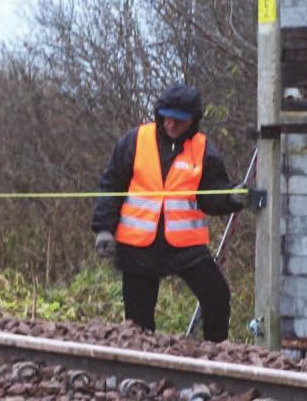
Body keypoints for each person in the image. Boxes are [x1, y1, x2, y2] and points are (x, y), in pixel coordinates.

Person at [91, 83, 249, 342]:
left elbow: (211, 194)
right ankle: (143, 366)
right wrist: (104, 230)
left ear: (193, 120)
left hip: (185, 246)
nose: (171, 124)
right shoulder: (135, 140)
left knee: (217, 296)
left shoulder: (203, 149)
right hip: (138, 245)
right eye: (166, 117)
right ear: (159, 113)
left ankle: (216, 356)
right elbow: (111, 185)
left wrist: (231, 196)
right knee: (138, 322)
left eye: (179, 120)